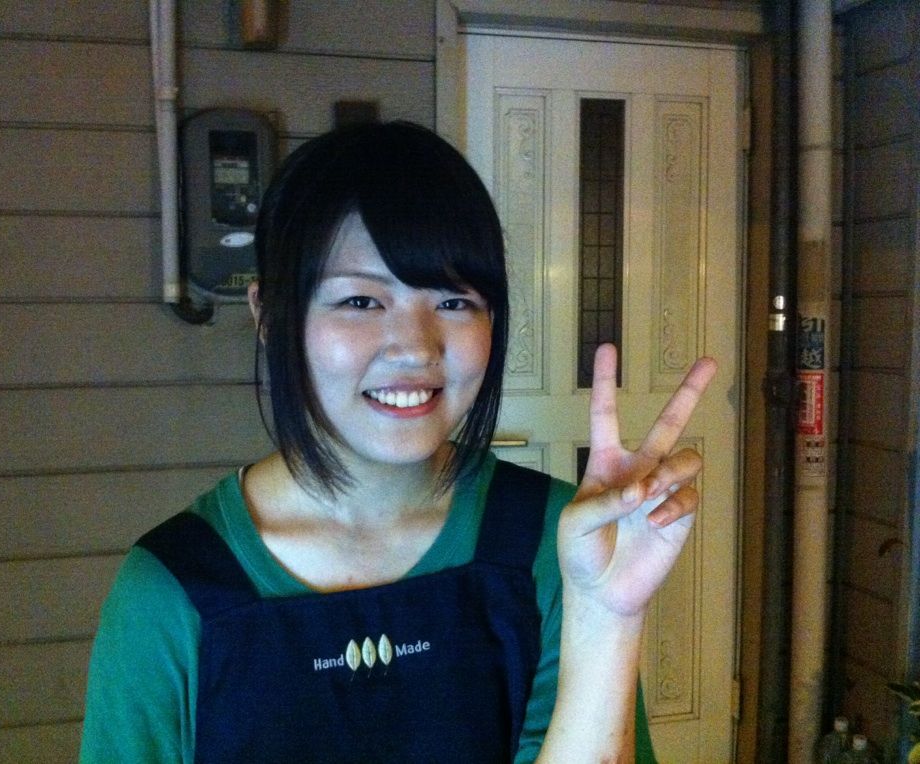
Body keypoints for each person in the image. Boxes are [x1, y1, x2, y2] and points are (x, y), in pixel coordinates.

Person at [80, 121, 716, 763]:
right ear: (269, 315)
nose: (415, 348)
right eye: (360, 301)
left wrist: (608, 617)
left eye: (454, 302)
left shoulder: (561, 539)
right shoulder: (167, 593)